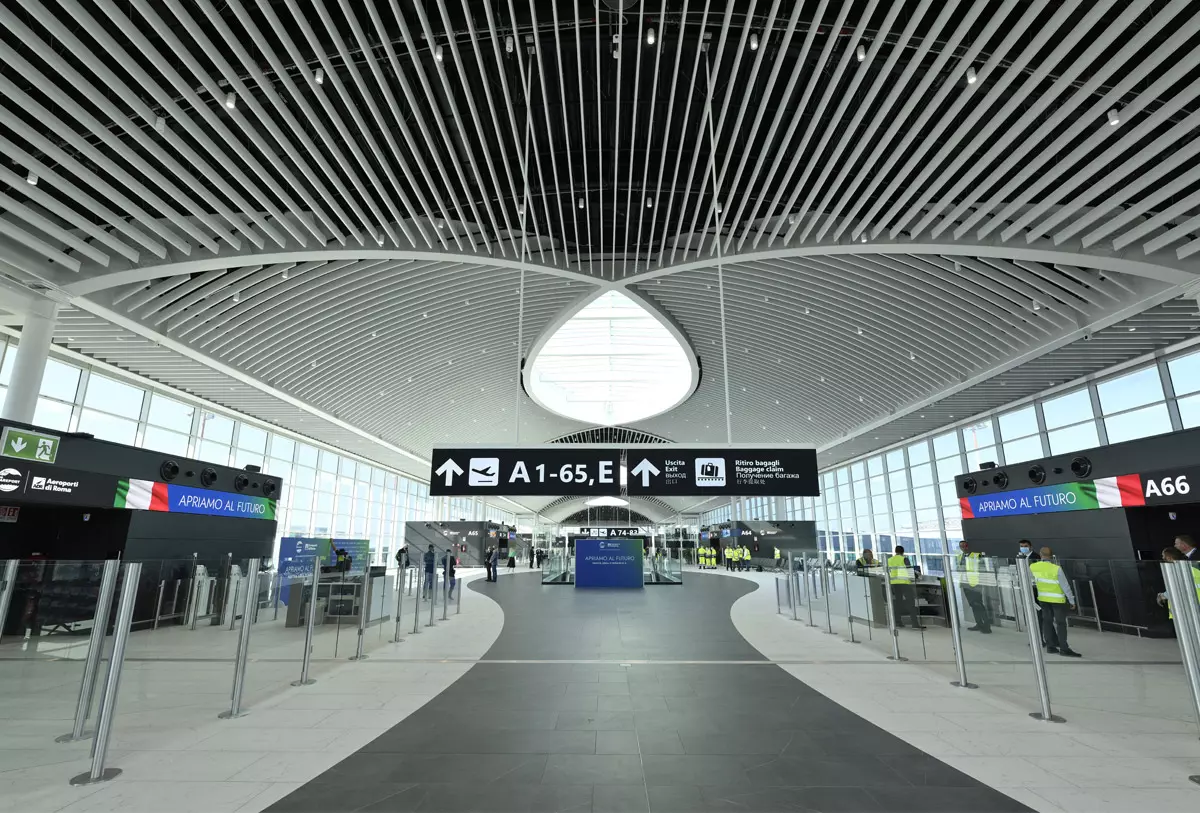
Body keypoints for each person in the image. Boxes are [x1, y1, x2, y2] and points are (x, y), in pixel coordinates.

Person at [1031, 546, 1080, 657]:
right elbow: (1065, 586)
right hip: (1057, 600)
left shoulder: (1033, 566)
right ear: (1051, 556)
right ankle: (1064, 648)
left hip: (1043, 599)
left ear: (1040, 554)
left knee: (1047, 622)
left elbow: (1032, 581)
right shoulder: (1056, 568)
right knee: (1060, 624)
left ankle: (1050, 646)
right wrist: (1071, 600)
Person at [957, 541, 992, 634]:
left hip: (975, 583)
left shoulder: (976, 555)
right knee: (973, 605)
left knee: (978, 604)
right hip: (965, 583)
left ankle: (986, 625)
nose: (963, 548)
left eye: (965, 546)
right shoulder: (960, 556)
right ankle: (979, 623)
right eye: (961, 546)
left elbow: (983, 568)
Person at [887, 545, 924, 629]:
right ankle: (915, 624)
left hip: (894, 583)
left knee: (898, 603)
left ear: (895, 551)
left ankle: (898, 622)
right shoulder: (904, 559)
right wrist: (916, 576)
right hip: (904, 583)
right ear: (903, 552)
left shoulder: (889, 560)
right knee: (911, 603)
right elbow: (909, 570)